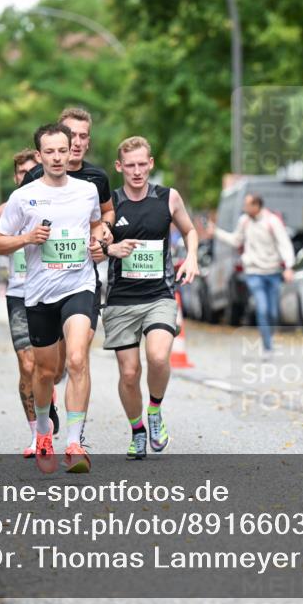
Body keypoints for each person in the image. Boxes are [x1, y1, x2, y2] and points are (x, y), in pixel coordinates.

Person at [0, 123, 108, 474]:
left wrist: (99, 241)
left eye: (63, 150)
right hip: (40, 293)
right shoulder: (23, 197)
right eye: (50, 152)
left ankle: (73, 443)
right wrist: (28, 238)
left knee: (76, 359)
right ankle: (44, 431)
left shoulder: (87, 191)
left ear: (71, 150)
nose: (57, 157)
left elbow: (96, 226)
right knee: (43, 372)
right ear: (39, 156)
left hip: (80, 285)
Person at [90, 136, 199, 459]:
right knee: (128, 373)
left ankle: (155, 411)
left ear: (150, 164)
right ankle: (137, 429)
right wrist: (111, 248)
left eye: (142, 164)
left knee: (158, 357)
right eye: (130, 166)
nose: (137, 172)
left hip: (159, 295)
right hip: (121, 299)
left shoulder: (168, 197)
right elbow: (93, 248)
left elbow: (190, 230)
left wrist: (191, 256)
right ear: (119, 167)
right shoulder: (110, 203)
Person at [0, 148, 61, 457]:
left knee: (53, 367)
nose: (26, 176)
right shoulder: (3, 212)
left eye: (31, 170)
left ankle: (47, 395)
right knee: (28, 365)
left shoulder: (58, 201)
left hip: (53, 291)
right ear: (15, 177)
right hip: (19, 293)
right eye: (20, 172)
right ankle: (36, 436)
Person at [212, 194, 295, 354]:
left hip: (273, 272)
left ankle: (269, 335)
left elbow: (284, 244)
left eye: (247, 205)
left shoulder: (272, 221)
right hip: (254, 272)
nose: (245, 208)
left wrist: (289, 267)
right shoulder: (244, 221)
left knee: (273, 312)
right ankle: (268, 346)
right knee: (262, 308)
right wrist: (216, 231)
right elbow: (236, 240)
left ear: (257, 206)